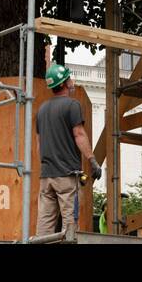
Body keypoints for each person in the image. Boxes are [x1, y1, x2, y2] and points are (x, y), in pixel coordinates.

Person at [35, 62, 100, 240]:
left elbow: (39, 143)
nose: (72, 81)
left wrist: (47, 164)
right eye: (69, 78)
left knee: (44, 226)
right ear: (64, 83)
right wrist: (92, 160)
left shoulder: (41, 110)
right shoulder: (72, 105)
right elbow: (79, 134)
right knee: (69, 226)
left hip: (46, 176)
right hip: (67, 176)